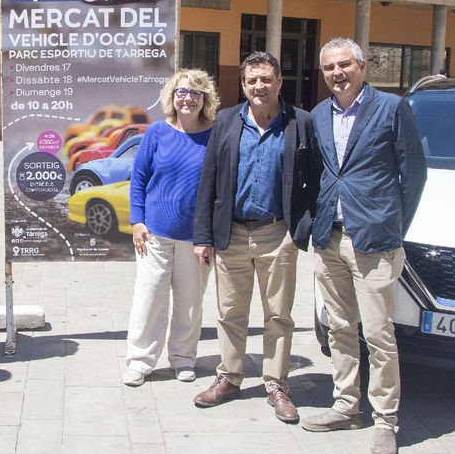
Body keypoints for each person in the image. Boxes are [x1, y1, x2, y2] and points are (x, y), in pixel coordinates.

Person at [301, 38, 427, 454]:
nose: (337, 74)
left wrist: (391, 225)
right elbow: (319, 172)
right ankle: (345, 405)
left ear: (362, 65)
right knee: (338, 328)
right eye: (329, 68)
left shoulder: (391, 108)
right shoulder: (319, 114)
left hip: (373, 242)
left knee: (377, 334)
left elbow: (414, 174)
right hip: (330, 238)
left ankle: (386, 421)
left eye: (344, 65)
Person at [191, 52, 316, 422]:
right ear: (243, 85)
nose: (259, 86)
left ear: (279, 81)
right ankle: (229, 377)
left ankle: (276, 384)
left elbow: (314, 180)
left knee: (278, 314)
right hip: (231, 232)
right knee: (230, 313)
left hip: (278, 233)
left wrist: (301, 229)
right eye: (251, 81)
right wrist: (203, 236)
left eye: (265, 79)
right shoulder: (227, 121)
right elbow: (208, 181)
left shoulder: (300, 123)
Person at [122, 70, 217, 387]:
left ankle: (183, 358)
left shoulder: (214, 136)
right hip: (155, 234)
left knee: (190, 303)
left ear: (204, 99)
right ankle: (140, 360)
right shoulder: (157, 133)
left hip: (196, 238)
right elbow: (139, 180)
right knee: (148, 299)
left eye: (195, 93)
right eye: (182, 92)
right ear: (171, 97)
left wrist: (210, 236)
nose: (188, 98)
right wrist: (137, 221)